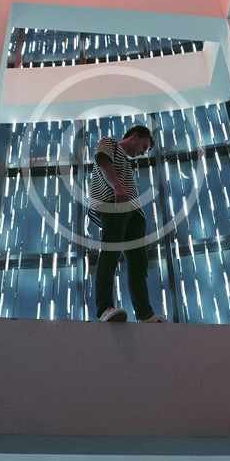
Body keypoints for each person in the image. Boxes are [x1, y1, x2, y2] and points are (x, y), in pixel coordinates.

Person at [88, 124, 164, 323]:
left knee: (139, 263)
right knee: (110, 253)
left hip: (133, 212)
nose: (143, 153)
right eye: (144, 147)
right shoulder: (109, 143)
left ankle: (144, 314)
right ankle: (104, 308)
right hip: (114, 203)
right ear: (135, 136)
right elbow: (103, 160)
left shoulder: (127, 164)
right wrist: (117, 188)